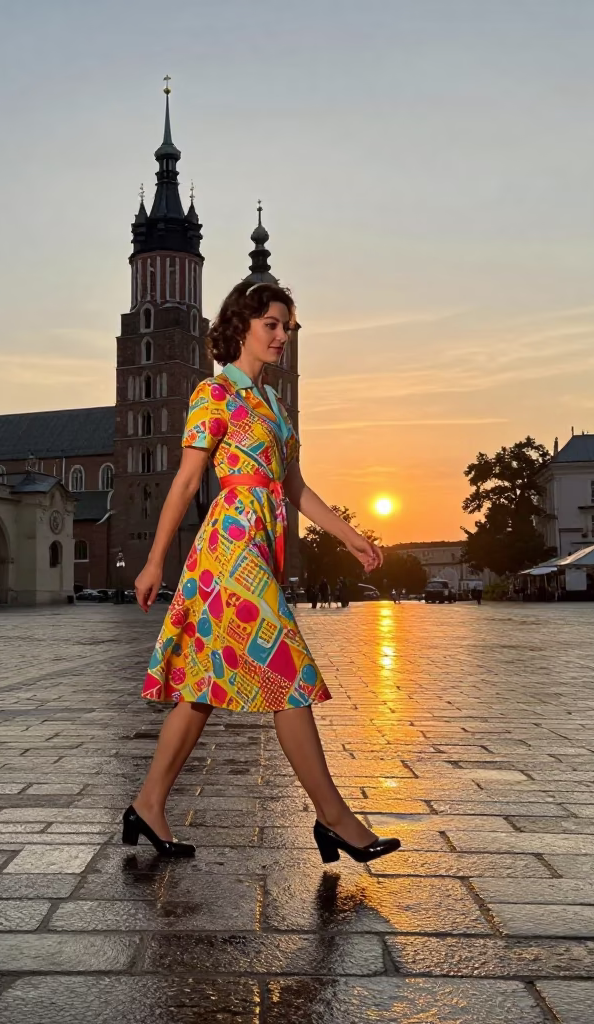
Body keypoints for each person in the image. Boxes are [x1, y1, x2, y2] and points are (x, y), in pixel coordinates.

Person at [124, 280, 400, 865]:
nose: (283, 336)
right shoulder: (214, 393)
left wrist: (350, 535)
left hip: (263, 546)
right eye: (273, 325)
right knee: (290, 672)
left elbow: (295, 488)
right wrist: (153, 561)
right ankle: (335, 819)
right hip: (230, 550)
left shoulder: (274, 406)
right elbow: (187, 482)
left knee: (199, 691)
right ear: (243, 325)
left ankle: (148, 803)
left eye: (288, 327)